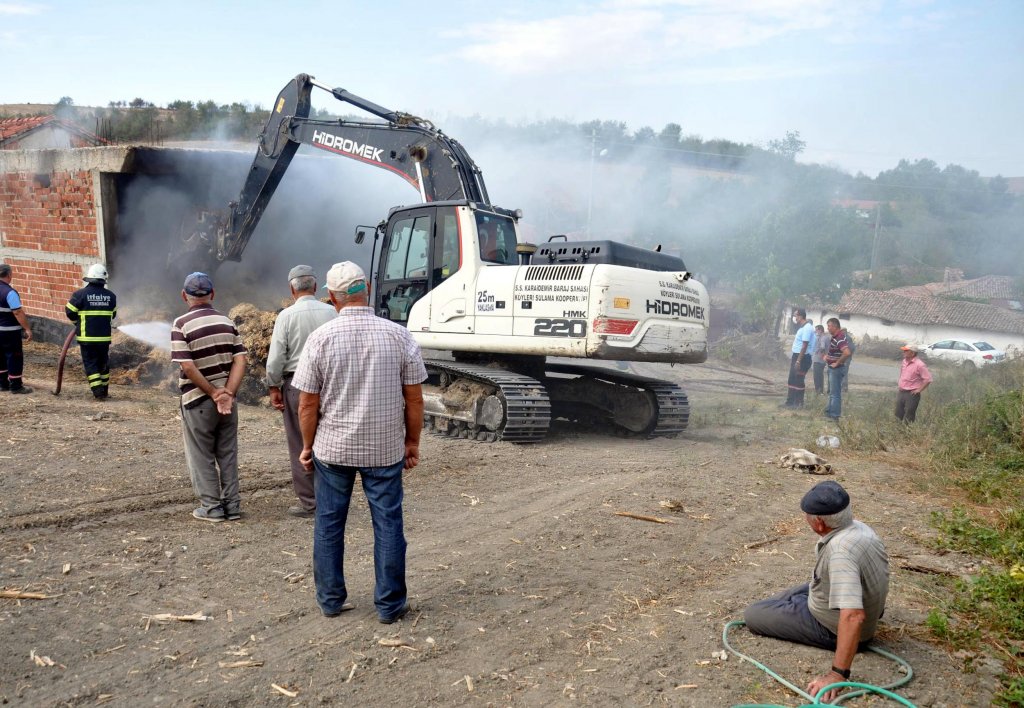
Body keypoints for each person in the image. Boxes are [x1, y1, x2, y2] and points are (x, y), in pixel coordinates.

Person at [293, 261, 427, 623]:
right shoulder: (398, 336)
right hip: (384, 449)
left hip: (333, 450)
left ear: (332, 298)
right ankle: (389, 606)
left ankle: (330, 600)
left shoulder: (320, 338)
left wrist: (307, 446)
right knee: (388, 523)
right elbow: (415, 399)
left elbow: (307, 403)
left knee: (329, 523)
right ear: (366, 288)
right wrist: (412, 442)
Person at [743, 481, 889, 703]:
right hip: (849, 604)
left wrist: (837, 674)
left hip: (833, 628)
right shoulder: (860, 529)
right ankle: (795, 604)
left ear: (819, 523)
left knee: (754, 614)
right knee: (798, 591)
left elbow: (853, 616)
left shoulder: (840, 552)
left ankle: (792, 609)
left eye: (807, 516)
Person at [170, 272, 247, 523]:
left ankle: (212, 508)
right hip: (227, 404)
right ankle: (232, 507)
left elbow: (188, 366)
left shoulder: (181, 324)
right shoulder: (227, 322)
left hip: (198, 402)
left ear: (184, 295)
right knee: (228, 454)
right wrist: (228, 393)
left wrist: (214, 393)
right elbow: (240, 360)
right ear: (212, 294)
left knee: (201, 455)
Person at [266, 265, 337, 518]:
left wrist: (273, 386)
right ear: (315, 287)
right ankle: (333, 500)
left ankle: (310, 503)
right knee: (329, 441)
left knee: (300, 442)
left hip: (296, 385)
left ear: (291, 289)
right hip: (331, 384)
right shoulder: (333, 312)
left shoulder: (286, 316)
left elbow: (276, 358)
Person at [65, 263, 117, 399]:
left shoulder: (79, 294)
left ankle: (98, 391)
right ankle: (104, 391)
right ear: (104, 279)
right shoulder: (111, 296)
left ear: (89, 278)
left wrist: (77, 323)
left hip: (86, 338)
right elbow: (113, 315)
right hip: (104, 339)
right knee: (103, 363)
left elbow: (69, 312)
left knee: (91, 363)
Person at [0, 263, 33, 394]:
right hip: (10, 331)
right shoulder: (10, 292)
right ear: (9, 275)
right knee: (14, 356)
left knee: (1, 356)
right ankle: (16, 386)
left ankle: (2, 384)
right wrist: (27, 329)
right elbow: (17, 312)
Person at [782, 308, 815, 408]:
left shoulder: (807, 328)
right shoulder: (802, 327)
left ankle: (798, 404)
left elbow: (804, 345)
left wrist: (798, 361)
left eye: (795, 315)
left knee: (799, 380)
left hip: (803, 357)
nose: (794, 318)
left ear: (800, 316)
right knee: (792, 379)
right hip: (796, 355)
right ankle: (790, 402)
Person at [823, 318, 852, 420]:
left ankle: (834, 415)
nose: (828, 328)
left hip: (837, 369)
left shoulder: (839, 337)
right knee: (832, 392)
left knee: (835, 393)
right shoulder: (835, 337)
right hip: (833, 368)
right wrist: (828, 357)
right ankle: (829, 412)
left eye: (829, 326)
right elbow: (837, 352)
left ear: (835, 326)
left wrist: (837, 363)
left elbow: (847, 353)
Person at [895, 343, 932, 423]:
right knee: (898, 414)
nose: (904, 352)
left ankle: (908, 431)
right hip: (901, 392)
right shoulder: (904, 362)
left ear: (912, 353)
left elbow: (928, 379)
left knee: (909, 416)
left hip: (911, 394)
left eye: (906, 351)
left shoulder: (920, 365)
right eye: (904, 350)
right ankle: (897, 430)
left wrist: (919, 390)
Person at [812, 324, 828, 395]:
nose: (816, 332)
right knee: (820, 375)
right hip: (822, 360)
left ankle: (818, 391)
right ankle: (820, 390)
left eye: (816, 330)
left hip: (818, 360)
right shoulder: (825, 337)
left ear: (820, 330)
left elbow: (822, 347)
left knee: (817, 376)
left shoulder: (823, 338)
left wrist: (819, 354)